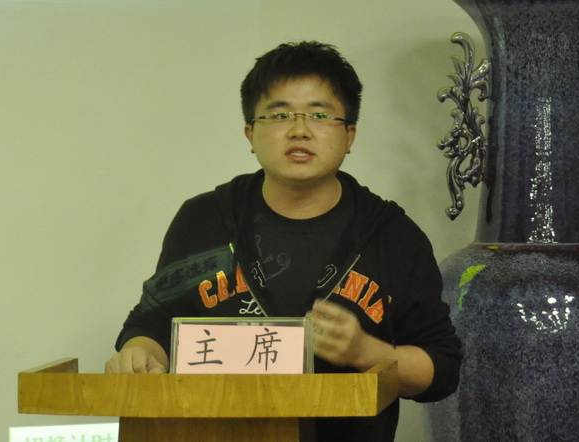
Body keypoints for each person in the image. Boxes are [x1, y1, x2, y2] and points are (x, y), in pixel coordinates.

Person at [105, 41, 462, 441]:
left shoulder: (391, 234)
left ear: (349, 135)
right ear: (250, 134)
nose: (299, 130)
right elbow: (153, 323)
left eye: (320, 114)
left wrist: (367, 353)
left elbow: (443, 368)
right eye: (279, 115)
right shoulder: (205, 219)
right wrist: (139, 354)